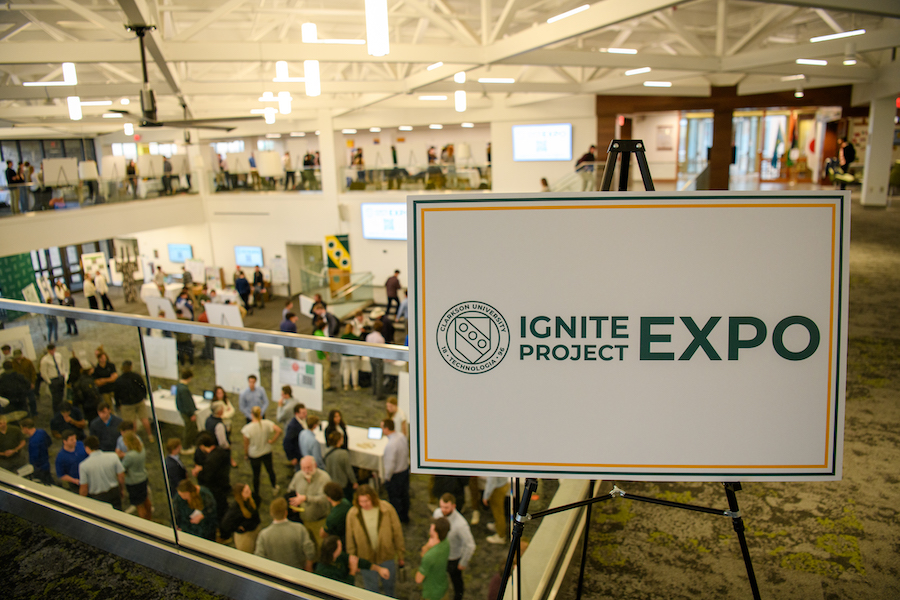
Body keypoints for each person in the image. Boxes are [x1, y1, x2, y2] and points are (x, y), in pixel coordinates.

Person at [345, 484, 406, 596]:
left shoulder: (387, 509)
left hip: (386, 555)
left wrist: (401, 554)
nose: (364, 504)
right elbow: (350, 538)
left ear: (373, 498)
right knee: (370, 589)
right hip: (366, 558)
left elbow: (397, 532)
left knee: (389, 587)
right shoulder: (352, 514)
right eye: (361, 501)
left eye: (367, 501)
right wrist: (352, 558)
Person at [433, 493, 477, 600]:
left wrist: (463, 562)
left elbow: (470, 545)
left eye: (446, 507)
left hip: (453, 558)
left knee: (456, 581)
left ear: (453, 506)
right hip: (439, 554)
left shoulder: (461, 524)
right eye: (441, 506)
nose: (443, 510)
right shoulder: (437, 513)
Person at [254, 497, 315, 571]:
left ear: (271, 514)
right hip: (297, 572)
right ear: (286, 512)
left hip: (274, 573)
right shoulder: (299, 528)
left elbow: (259, 557)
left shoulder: (264, 535)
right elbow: (310, 551)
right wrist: (308, 567)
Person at [286, 455, 332, 548]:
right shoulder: (298, 476)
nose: (306, 470)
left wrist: (306, 498)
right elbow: (290, 490)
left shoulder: (324, 478)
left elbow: (324, 499)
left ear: (315, 465)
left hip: (319, 521)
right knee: (306, 545)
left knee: (321, 545)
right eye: (304, 468)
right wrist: (294, 504)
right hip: (302, 520)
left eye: (309, 467)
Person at [316, 534, 391, 585]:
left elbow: (357, 561)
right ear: (333, 552)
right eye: (340, 546)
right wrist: (352, 571)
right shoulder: (324, 571)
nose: (341, 547)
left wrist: (379, 569)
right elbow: (343, 588)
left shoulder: (339, 556)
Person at [192, 432, 231, 524]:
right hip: (224, 483)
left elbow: (207, 477)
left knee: (218, 508)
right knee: (224, 505)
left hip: (215, 488)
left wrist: (198, 473)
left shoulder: (210, 460)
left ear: (202, 446)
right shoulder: (221, 452)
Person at [241, 405, 281, 497]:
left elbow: (246, 444)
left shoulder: (247, 428)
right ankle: (274, 487)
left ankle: (256, 493)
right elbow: (279, 430)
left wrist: (246, 454)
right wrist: (272, 440)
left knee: (256, 475)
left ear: (252, 415)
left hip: (254, 454)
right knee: (270, 470)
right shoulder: (267, 423)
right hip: (267, 451)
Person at [79, 435, 125, 510]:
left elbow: (84, 488)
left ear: (87, 448)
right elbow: (121, 476)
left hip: (98, 497)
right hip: (114, 491)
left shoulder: (84, 466)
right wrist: (121, 489)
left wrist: (82, 502)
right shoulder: (113, 456)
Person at [114, 360, 151, 441]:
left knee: (132, 423)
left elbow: (116, 393)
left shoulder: (119, 380)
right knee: (144, 418)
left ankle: (134, 439)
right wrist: (144, 396)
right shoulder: (136, 376)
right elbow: (143, 386)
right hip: (139, 401)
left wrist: (118, 404)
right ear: (131, 367)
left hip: (127, 404)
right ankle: (150, 435)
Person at [382, 418, 410, 523]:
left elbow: (390, 464)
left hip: (396, 475)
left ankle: (397, 519)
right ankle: (405, 516)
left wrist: (387, 478)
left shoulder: (390, 445)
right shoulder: (401, 436)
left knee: (395, 499)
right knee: (405, 495)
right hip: (405, 470)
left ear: (386, 429)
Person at [417, 517, 452, 600]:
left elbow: (418, 579)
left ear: (436, 533)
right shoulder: (446, 542)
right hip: (443, 588)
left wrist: (426, 549)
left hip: (431, 594)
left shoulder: (429, 556)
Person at [220, 482, 261, 552]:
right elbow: (225, 525)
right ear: (241, 495)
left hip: (254, 531)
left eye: (249, 490)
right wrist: (239, 528)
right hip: (245, 538)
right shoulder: (235, 510)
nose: (250, 492)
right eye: (247, 492)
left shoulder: (252, 499)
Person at [121, 431, 152, 520]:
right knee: (145, 499)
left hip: (133, 482)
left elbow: (123, 467)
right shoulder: (141, 449)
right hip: (143, 477)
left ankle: (144, 522)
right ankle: (150, 518)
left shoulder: (130, 456)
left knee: (139, 505)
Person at [324, 431, 357, 501]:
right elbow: (348, 470)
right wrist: (354, 482)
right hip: (342, 484)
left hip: (331, 482)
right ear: (339, 441)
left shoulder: (326, 451)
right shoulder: (343, 453)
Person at [20, 418, 52, 484]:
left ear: (25, 428)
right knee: (49, 479)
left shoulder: (33, 442)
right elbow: (49, 442)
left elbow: (34, 458)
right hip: (46, 463)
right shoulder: (42, 432)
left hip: (39, 468)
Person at [39, 343, 68, 412]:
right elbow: (43, 372)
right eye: (50, 350)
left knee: (61, 395)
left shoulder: (58, 355)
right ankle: (57, 411)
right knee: (55, 398)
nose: (52, 352)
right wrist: (49, 381)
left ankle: (62, 409)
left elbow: (62, 364)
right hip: (53, 379)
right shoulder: (45, 360)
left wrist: (63, 373)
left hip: (60, 377)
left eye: (53, 350)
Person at [175, 369, 198, 453]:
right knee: (189, 429)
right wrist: (191, 413)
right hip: (187, 413)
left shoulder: (179, 386)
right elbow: (187, 402)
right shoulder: (184, 389)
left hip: (184, 411)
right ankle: (185, 447)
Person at [484, 477, 510, 544]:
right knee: (498, 510)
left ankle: (501, 536)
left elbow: (491, 481)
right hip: (502, 483)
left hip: (497, 488)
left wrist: (486, 496)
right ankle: (498, 526)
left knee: (498, 512)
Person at [11, 349, 37, 417]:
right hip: (19, 386)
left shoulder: (28, 362)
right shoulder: (12, 363)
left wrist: (33, 382)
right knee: (22, 401)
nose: (17, 358)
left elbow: (33, 372)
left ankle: (34, 412)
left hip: (28, 384)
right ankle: (26, 414)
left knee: (32, 400)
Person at [282, 402, 306, 470]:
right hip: (298, 455)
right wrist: (292, 457)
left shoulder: (303, 420)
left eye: (305, 412)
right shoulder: (293, 427)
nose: (305, 414)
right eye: (303, 413)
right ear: (297, 414)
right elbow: (286, 443)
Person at [311, 318, 333, 392]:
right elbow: (323, 347)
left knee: (321, 370)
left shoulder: (316, 332)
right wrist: (327, 354)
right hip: (323, 355)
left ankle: (322, 383)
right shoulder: (321, 335)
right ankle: (326, 385)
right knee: (326, 370)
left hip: (318, 354)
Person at [367, 321, 386, 398]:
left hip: (371, 356)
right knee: (379, 376)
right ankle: (379, 394)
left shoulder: (369, 336)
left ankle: (374, 391)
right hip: (378, 358)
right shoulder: (381, 338)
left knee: (373, 374)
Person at [339, 324, 361, 391]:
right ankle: (355, 385)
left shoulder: (343, 337)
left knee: (346, 370)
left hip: (345, 356)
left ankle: (346, 385)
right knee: (354, 370)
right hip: (354, 356)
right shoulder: (355, 337)